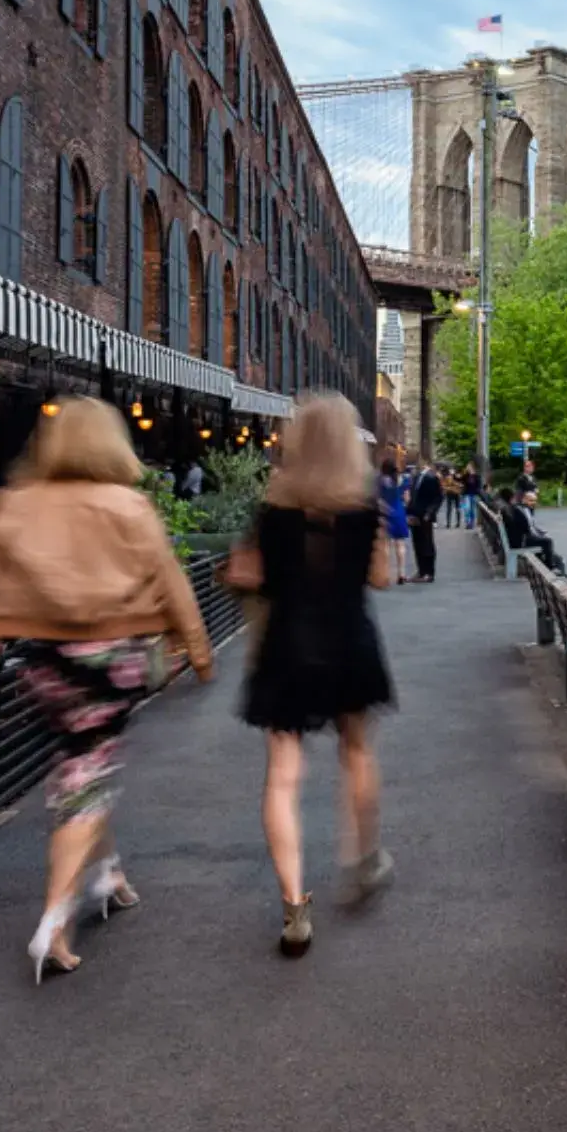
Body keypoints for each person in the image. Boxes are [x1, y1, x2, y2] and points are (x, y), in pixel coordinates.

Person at [0, 397, 213, 983]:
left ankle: (109, 875)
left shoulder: (12, 506)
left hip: (46, 666)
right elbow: (172, 584)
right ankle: (55, 919)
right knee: (85, 771)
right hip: (113, 663)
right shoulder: (129, 506)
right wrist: (195, 652)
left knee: (84, 765)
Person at [240, 393, 396, 957]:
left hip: (287, 643)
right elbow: (382, 579)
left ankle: (294, 907)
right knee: (356, 751)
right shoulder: (364, 506)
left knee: (283, 772)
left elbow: (251, 575)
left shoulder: (274, 505)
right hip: (348, 639)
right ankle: (363, 854)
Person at [498, 487, 566, 576]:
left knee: (549, 546)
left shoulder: (512, 509)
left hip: (517, 540)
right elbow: (526, 527)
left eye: (534, 501)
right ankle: (551, 567)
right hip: (521, 542)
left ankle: (554, 566)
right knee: (547, 541)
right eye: (531, 501)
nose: (533, 503)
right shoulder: (517, 510)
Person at [376, 459, 413, 586]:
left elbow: (378, 499)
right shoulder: (402, 479)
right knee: (400, 544)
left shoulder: (380, 481)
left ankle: (385, 574)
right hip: (399, 511)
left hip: (386, 513)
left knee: (385, 545)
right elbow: (407, 498)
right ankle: (401, 574)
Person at [407, 457, 443, 583]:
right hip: (416, 515)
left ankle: (429, 572)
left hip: (425, 515)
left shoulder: (431, 477)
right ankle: (421, 571)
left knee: (427, 543)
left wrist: (430, 512)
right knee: (417, 543)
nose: (418, 464)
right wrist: (409, 513)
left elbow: (438, 497)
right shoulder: (417, 477)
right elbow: (413, 497)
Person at [461, 462, 482, 529]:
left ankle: (471, 523)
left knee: (472, 509)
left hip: (474, 494)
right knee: (467, 508)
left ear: (472, 468)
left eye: (469, 467)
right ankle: (468, 522)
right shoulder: (465, 475)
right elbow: (460, 480)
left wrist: (478, 494)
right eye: (467, 467)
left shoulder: (477, 476)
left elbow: (479, 486)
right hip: (466, 494)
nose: (468, 468)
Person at [440, 464, 462, 528]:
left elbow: (461, 485)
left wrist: (457, 485)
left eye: (453, 470)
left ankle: (458, 523)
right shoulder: (446, 477)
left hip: (456, 494)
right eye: (451, 470)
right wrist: (451, 488)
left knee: (458, 508)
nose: (452, 471)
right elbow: (443, 486)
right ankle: (448, 523)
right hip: (449, 494)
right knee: (449, 509)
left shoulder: (458, 477)